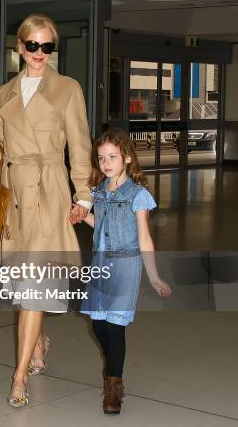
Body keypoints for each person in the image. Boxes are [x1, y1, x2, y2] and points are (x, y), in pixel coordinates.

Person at [0, 14, 93, 408]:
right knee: (22, 284)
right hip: (15, 195)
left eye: (47, 46)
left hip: (49, 190)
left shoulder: (68, 88)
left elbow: (80, 144)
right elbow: (1, 142)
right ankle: (38, 341)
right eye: (32, 45)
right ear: (19, 47)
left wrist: (83, 194)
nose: (39, 53)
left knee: (34, 287)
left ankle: (18, 378)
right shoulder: (4, 93)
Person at [79, 128, 171, 415]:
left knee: (115, 328)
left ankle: (113, 388)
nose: (106, 163)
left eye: (112, 157)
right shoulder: (99, 191)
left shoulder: (137, 194)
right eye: (101, 157)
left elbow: (144, 238)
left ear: (127, 158)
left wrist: (153, 275)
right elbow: (103, 226)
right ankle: (114, 363)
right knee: (98, 325)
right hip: (100, 264)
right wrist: (83, 215)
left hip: (126, 265)